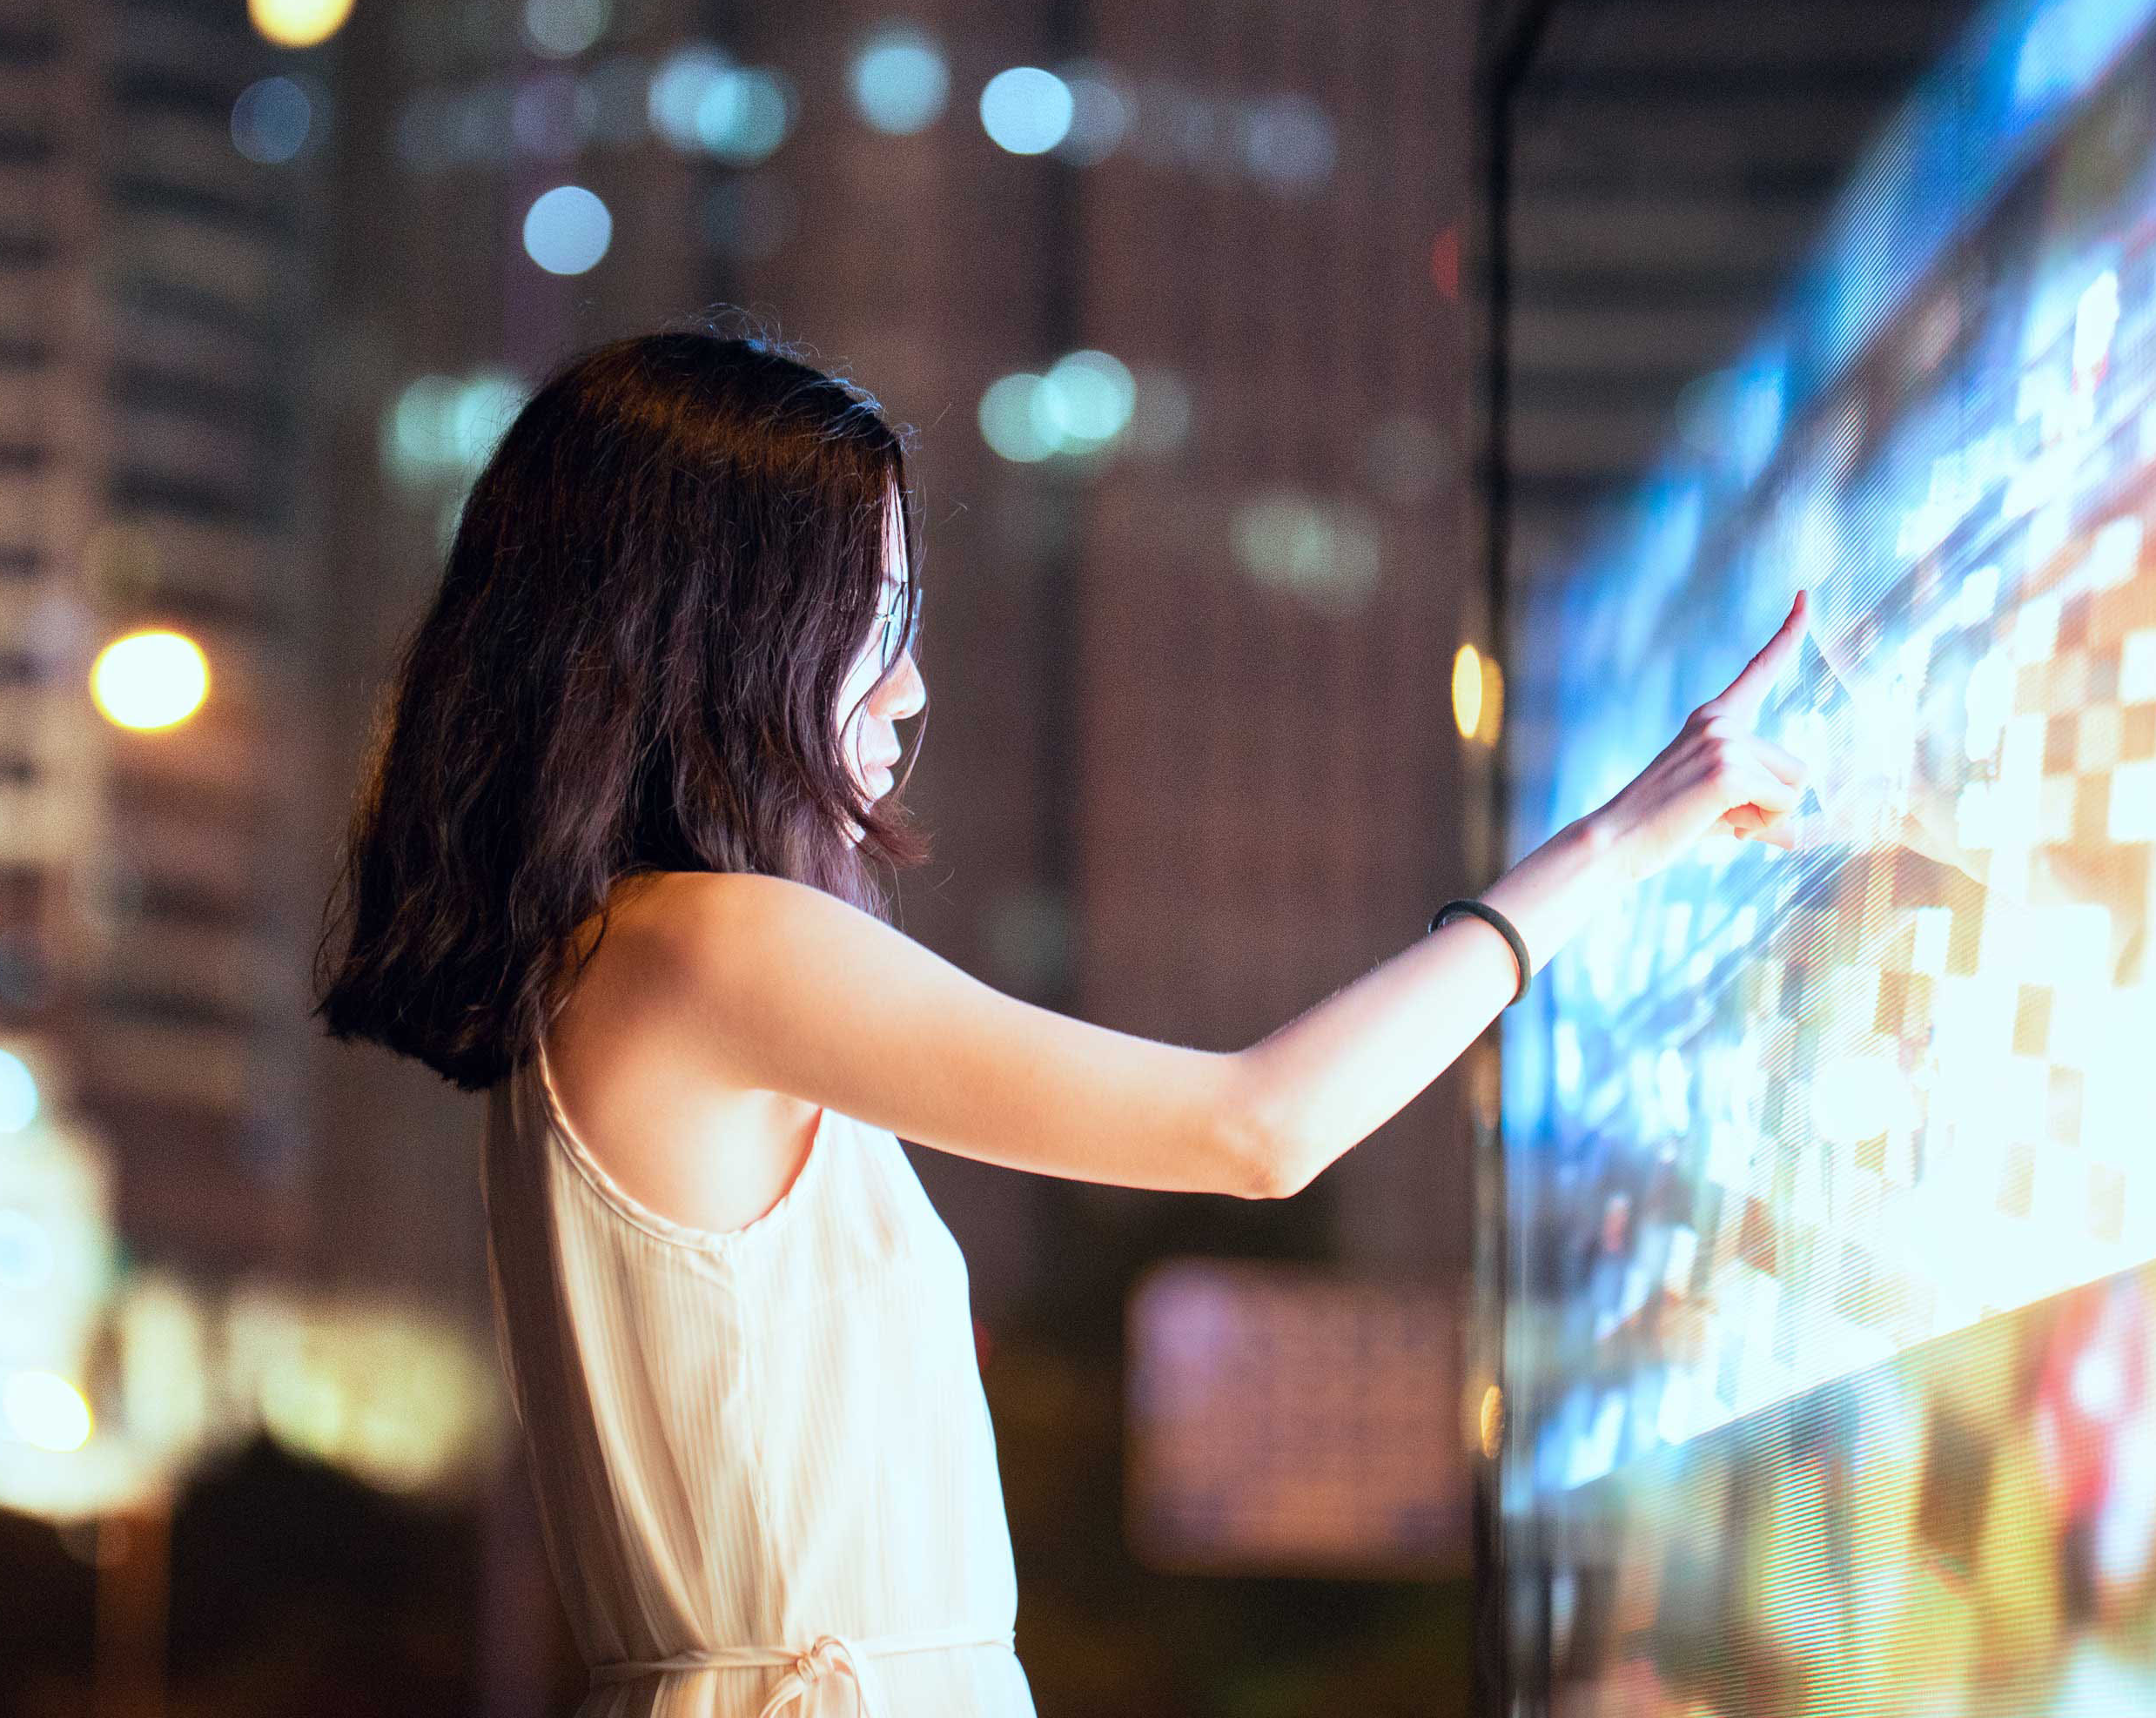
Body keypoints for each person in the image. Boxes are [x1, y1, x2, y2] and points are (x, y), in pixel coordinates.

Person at [315, 329, 1807, 1716]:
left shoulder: (615, 964)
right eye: (870, 617)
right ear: (723, 630)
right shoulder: (711, 944)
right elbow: (1256, 1127)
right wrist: (1619, 842)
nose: (907, 689)